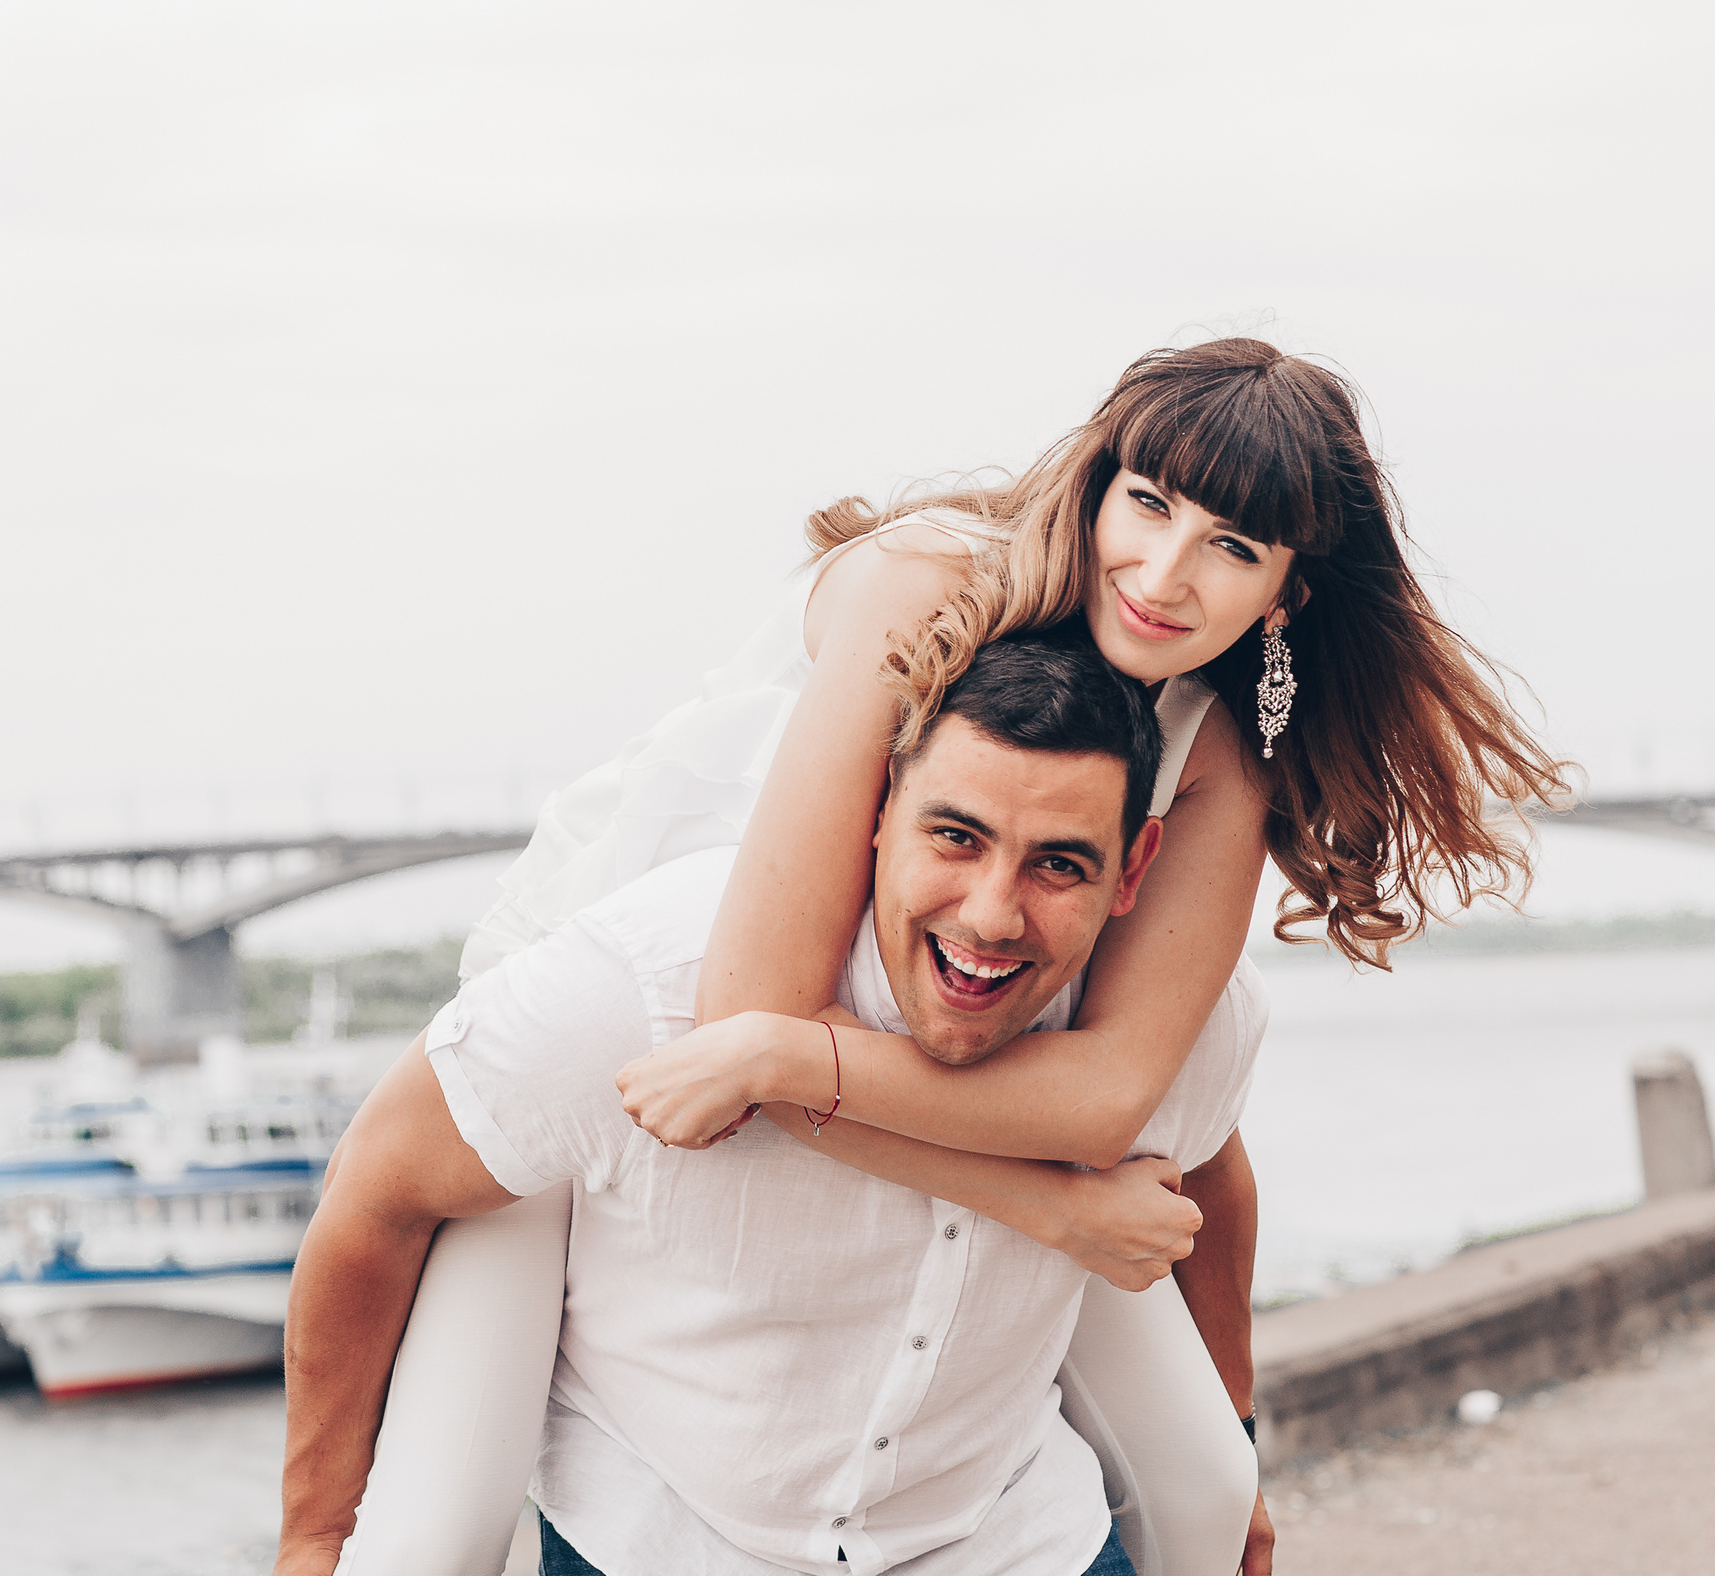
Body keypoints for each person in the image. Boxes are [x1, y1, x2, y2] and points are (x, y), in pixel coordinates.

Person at [348, 337, 1569, 1576]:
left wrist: (1218, 1390)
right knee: (432, 1534)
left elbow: (1114, 1096)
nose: (1162, 573)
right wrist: (1047, 1204)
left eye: (1232, 548)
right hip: (627, 1034)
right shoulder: (921, 580)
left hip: (894, 1035)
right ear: (1094, 486)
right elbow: (743, 1018)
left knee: (1207, 1487)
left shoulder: (1213, 746)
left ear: (1285, 593)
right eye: (1147, 506)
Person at [279, 632, 1265, 1576]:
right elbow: (374, 1191)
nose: (990, 915)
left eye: (1059, 862)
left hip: (1007, 1538)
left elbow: (1208, 1169)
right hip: (665, 1539)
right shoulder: (642, 984)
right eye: (954, 837)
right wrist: (312, 1543)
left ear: (1133, 869)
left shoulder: (1173, 1027)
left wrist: (1237, 1450)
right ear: (875, 810)